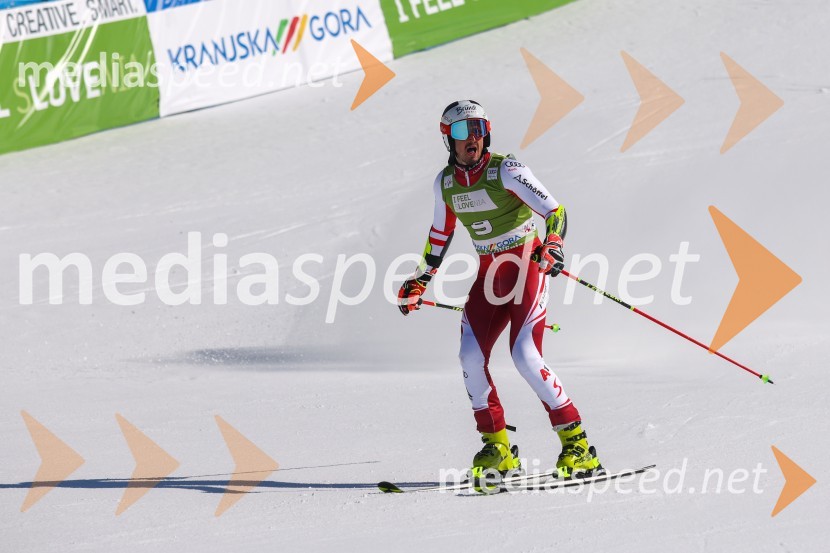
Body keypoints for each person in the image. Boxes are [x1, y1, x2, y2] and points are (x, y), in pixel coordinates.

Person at [397, 100, 603, 481]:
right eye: (461, 131)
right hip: (489, 276)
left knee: (525, 356)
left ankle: (577, 443)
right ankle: (497, 446)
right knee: (469, 357)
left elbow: (555, 211)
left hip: (526, 265)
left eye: (478, 128)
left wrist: (553, 243)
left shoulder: (506, 169)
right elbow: (440, 234)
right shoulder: (445, 184)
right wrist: (420, 278)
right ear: (448, 139)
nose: (471, 137)